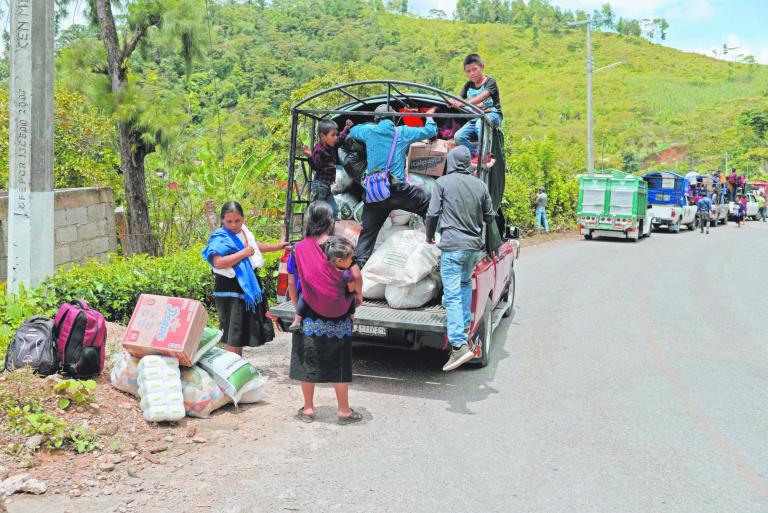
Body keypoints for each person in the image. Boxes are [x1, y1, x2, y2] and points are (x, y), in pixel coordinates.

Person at [288, 202, 363, 424]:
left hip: (310, 313)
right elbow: (355, 275)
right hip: (340, 314)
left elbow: (292, 280)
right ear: (330, 221)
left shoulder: (299, 248)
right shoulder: (341, 244)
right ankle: (343, 410)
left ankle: (309, 409)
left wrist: (297, 310)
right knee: (339, 363)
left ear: (310, 221)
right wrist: (356, 297)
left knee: (307, 362)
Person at [426, 146, 494, 372]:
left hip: (453, 246)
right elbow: (489, 216)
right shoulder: (481, 185)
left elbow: (433, 213)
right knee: (464, 284)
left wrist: (429, 236)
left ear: (452, 161)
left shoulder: (443, 183)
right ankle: (464, 325)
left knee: (452, 293)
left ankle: (458, 345)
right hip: (472, 248)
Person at [349, 104, 438, 267]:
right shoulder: (402, 132)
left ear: (376, 120)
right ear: (394, 119)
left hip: (375, 193)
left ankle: (358, 267)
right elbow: (431, 131)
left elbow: (353, 131)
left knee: (368, 233)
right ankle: (433, 244)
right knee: (429, 205)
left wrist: (363, 125)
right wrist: (430, 117)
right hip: (398, 190)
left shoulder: (369, 131)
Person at [202, 202, 288, 356]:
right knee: (231, 333)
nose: (234, 225)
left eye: (237, 220)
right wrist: (243, 253)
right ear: (222, 220)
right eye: (229, 221)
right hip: (229, 289)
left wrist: (277, 246)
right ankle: (230, 372)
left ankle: (237, 367)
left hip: (246, 286)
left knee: (239, 333)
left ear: (243, 219)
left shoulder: (244, 231)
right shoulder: (220, 237)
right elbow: (218, 262)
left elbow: (254, 246)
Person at [288, 235, 361, 331]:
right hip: (336, 302)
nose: (352, 261)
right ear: (339, 261)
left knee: (304, 296)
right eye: (351, 259)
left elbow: (296, 280)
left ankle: (297, 319)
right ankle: (351, 319)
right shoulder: (346, 274)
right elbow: (352, 285)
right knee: (351, 296)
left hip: (318, 300)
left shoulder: (321, 268)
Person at [449, 54, 503, 157]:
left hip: (492, 114)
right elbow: (459, 98)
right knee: (458, 137)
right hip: (476, 117)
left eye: (475, 69)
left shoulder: (490, 82)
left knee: (480, 123)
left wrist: (464, 103)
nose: (472, 73)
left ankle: (485, 154)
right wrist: (452, 101)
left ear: (482, 67)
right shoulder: (468, 85)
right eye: (468, 71)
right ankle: (476, 153)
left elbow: (483, 96)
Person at [302, 119, 353, 219]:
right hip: (320, 186)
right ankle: (308, 224)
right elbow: (316, 166)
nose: (335, 137)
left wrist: (346, 129)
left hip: (326, 186)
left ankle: (328, 230)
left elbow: (340, 139)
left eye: (336, 134)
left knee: (334, 211)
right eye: (332, 135)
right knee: (317, 211)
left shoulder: (331, 145)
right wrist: (310, 156)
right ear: (322, 136)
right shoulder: (319, 150)